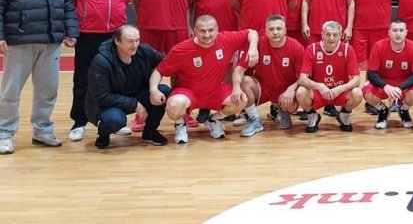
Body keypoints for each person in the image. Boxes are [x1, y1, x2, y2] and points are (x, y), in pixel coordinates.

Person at [0, 0, 78, 154]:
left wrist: (71, 31)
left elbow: (67, 4)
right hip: (19, 40)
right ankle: (4, 133)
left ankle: (42, 130)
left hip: (51, 40)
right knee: (11, 91)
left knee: (48, 90)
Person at [150, 15, 258, 144]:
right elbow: (158, 71)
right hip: (188, 92)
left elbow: (252, 33)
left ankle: (214, 120)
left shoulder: (225, 39)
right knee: (174, 105)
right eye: (202, 31)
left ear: (217, 29)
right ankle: (180, 124)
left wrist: (253, 48)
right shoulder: (181, 50)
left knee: (241, 99)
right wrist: (153, 89)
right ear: (195, 30)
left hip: (214, 91)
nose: (207, 35)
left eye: (210, 30)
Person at [67, 0, 131, 141]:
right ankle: (79, 121)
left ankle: (116, 120)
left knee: (117, 79)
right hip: (88, 32)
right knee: (83, 78)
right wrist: (72, 29)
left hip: (116, 34)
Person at [85, 25, 170, 149]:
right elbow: (102, 97)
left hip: (136, 94)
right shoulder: (101, 62)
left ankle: (150, 132)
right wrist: (135, 104)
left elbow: (167, 63)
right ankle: (103, 135)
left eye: (137, 40)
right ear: (117, 41)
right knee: (114, 119)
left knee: (163, 91)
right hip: (109, 103)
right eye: (130, 41)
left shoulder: (144, 51)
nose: (135, 45)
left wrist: (153, 87)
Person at [236, 15, 304, 137]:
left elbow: (304, 76)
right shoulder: (257, 45)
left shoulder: (296, 47)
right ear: (266, 31)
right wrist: (236, 88)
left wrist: (291, 89)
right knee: (244, 81)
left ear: (285, 30)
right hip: (263, 87)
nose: (275, 32)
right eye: (271, 29)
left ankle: (283, 111)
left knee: (294, 100)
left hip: (285, 91)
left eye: (279, 29)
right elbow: (238, 70)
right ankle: (254, 120)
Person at [295, 21, 362, 132]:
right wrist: (320, 86)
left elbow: (357, 79)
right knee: (300, 92)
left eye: (335, 35)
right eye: (328, 34)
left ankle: (344, 114)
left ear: (340, 36)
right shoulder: (312, 49)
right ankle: (312, 115)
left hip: (339, 91)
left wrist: (340, 88)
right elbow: (302, 78)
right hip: (319, 92)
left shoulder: (347, 49)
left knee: (357, 93)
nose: (331, 38)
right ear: (322, 35)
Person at [364, 19, 413, 129]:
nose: (398, 34)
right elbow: (371, 73)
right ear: (389, 33)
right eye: (395, 30)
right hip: (385, 82)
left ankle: (403, 110)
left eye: (401, 30)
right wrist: (385, 86)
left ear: (406, 32)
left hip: (405, 83)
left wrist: (400, 88)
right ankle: (383, 110)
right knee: (367, 92)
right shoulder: (378, 46)